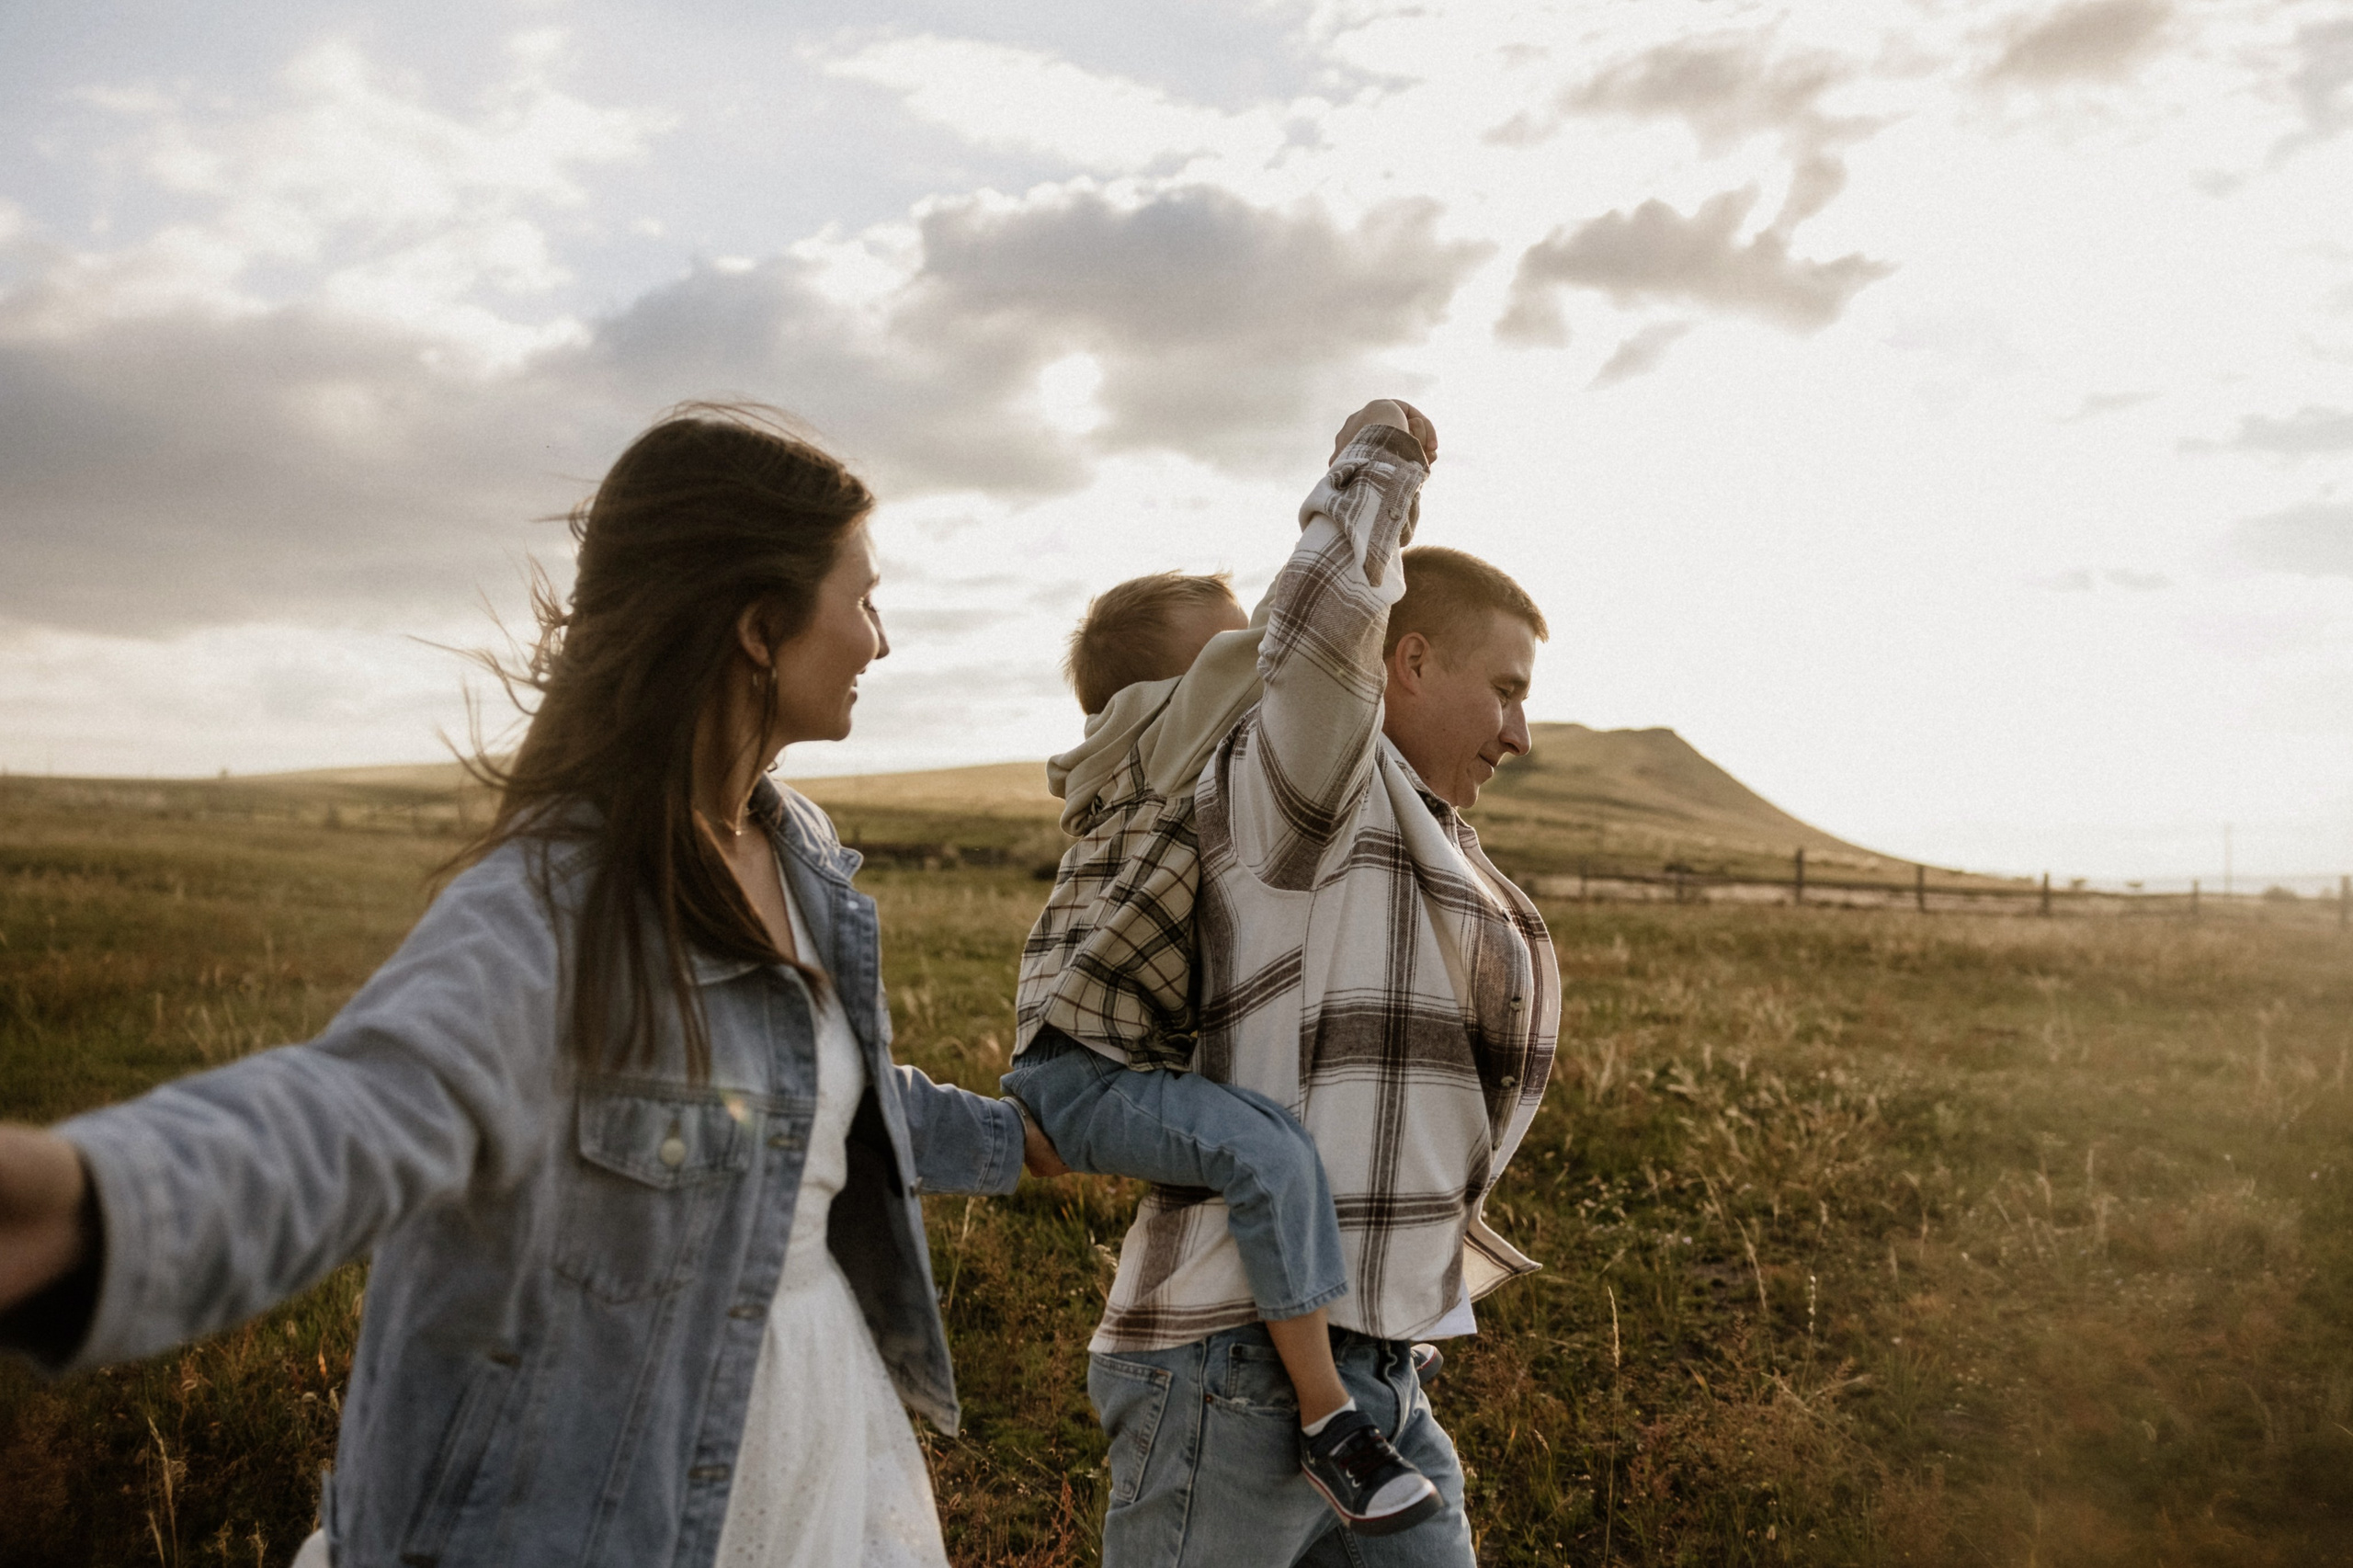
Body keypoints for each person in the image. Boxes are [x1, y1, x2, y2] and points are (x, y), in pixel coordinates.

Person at [0, 403, 1060, 1568]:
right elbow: (362, 1107)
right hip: (610, 1485)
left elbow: (808, 1105)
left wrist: (1010, 1137)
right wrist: (83, 1203)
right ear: (760, 625)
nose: (881, 638)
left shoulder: (795, 846)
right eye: (863, 597)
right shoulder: (557, 899)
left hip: (807, 1435)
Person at [1040, 402, 1561, 1566]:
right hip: (1229, 1367)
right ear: (1407, 661)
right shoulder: (1308, 793)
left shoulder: (1420, 829)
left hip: (1378, 1371)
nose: (1521, 732)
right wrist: (1387, 455)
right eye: (1508, 689)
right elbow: (1320, 624)